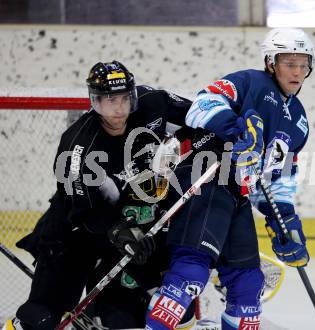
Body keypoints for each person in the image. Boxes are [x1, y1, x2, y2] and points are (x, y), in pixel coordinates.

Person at [5, 61, 197, 330]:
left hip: (132, 223)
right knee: (42, 316)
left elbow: (202, 116)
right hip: (74, 232)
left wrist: (180, 142)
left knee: (128, 312)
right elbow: (82, 210)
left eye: (123, 98)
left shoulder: (153, 103)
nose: (118, 108)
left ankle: (100, 313)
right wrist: (119, 230)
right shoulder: (77, 149)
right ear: (94, 102)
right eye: (109, 100)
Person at [144, 28, 315, 330]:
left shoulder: (299, 121)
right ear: (271, 62)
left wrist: (283, 221)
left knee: (249, 285)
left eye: (303, 64)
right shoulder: (249, 81)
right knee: (190, 274)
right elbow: (201, 105)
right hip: (204, 175)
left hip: (237, 192)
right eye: (289, 63)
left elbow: (278, 175)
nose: (297, 72)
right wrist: (236, 129)